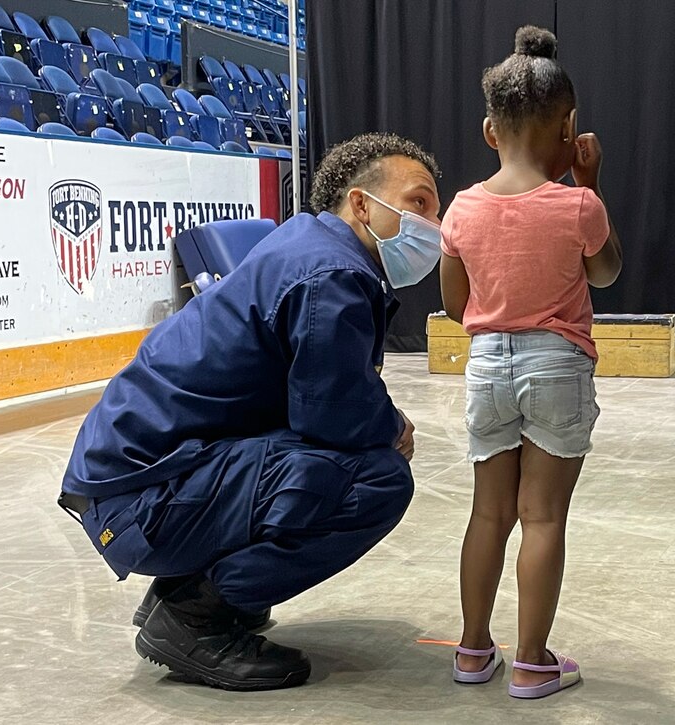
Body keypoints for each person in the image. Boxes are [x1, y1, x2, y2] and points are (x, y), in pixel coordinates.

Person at [57, 132, 443, 691]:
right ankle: (195, 617)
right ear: (361, 203)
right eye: (419, 203)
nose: (433, 224)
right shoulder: (335, 273)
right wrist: (391, 426)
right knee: (375, 479)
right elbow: (332, 413)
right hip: (140, 499)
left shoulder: (310, 244)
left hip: (129, 481)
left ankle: (187, 591)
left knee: (320, 452)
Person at [439, 26, 623, 699]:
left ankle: (471, 649)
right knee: (542, 514)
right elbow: (605, 274)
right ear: (570, 128)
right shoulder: (579, 203)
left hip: (486, 363)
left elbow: (458, 305)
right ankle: (532, 659)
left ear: (491, 130)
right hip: (558, 367)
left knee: (489, 512)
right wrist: (591, 181)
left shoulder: (461, 209)